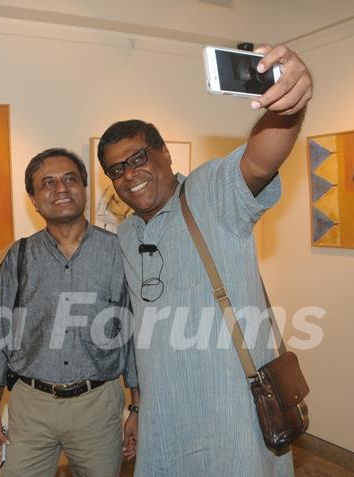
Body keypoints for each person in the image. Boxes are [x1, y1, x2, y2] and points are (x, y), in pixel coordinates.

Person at [95, 44, 313, 476]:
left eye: (138, 158)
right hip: (165, 422)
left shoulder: (210, 193)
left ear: (164, 154)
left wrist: (288, 106)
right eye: (116, 170)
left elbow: (260, 159)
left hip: (231, 416)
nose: (129, 175)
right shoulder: (125, 234)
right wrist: (137, 405)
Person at [0, 148, 140, 477]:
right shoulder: (19, 255)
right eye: (47, 183)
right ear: (34, 199)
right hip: (31, 404)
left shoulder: (118, 251)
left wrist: (137, 407)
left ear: (84, 187)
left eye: (70, 179)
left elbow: (132, 338)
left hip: (97, 404)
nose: (61, 189)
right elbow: (1, 337)